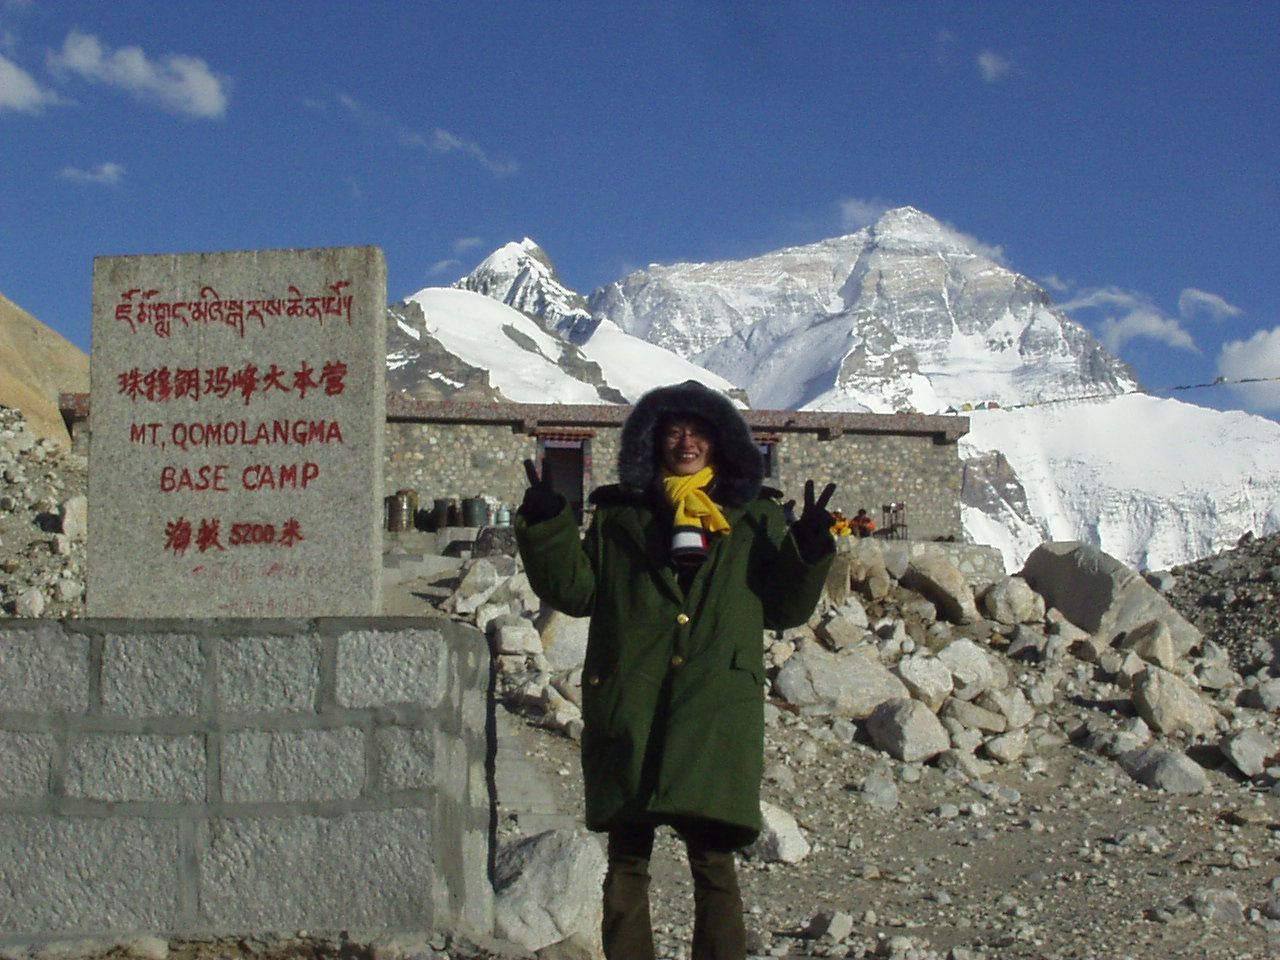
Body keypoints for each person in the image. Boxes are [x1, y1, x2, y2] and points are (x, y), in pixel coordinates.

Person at [515, 380, 837, 960]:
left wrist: (809, 550)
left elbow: (786, 608)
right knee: (628, 858)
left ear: (720, 441)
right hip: (631, 697)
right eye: (673, 430)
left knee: (713, 861)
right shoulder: (620, 515)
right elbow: (578, 590)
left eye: (699, 431)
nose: (686, 441)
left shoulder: (757, 515)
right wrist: (547, 527)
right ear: (653, 440)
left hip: (714, 704)